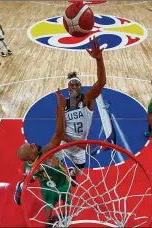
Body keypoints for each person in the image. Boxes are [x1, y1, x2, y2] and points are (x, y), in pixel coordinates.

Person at [14, 89, 71, 227]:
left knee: (56, 203)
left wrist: (61, 109)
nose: (34, 144)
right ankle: (57, 221)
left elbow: (32, 179)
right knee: (57, 203)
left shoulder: (32, 163)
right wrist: (61, 108)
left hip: (53, 184)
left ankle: (54, 221)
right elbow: (59, 134)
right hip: (55, 184)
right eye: (32, 146)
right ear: (32, 156)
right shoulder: (41, 156)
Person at [56, 36, 106, 187]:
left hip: (79, 150)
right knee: (54, 169)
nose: (75, 85)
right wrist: (77, 143)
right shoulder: (62, 105)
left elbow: (101, 82)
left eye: (77, 83)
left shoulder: (87, 100)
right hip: (64, 145)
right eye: (72, 84)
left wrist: (99, 60)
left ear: (81, 87)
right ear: (68, 88)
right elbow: (60, 133)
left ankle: (72, 172)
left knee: (79, 172)